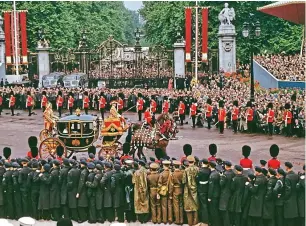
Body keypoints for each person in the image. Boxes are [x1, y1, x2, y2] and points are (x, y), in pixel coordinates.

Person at [182, 155, 199, 226]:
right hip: (196, 189)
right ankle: (196, 223)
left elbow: (183, 181)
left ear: (188, 162)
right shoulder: (198, 169)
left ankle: (190, 223)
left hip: (188, 191)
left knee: (188, 208)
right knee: (196, 207)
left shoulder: (186, 170)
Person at [219, 161, 235, 226]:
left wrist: (221, 177)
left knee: (224, 211)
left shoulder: (225, 174)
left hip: (225, 194)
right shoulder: (233, 173)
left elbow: (221, 184)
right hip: (231, 193)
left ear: (226, 166)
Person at [283, 162, 299, 226]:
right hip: (295, 198)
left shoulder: (287, 177)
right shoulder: (296, 175)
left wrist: (285, 198)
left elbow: (288, 190)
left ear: (287, 167)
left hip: (288, 200)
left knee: (288, 218)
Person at [157, 160, 173, 224]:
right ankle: (170, 219)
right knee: (169, 206)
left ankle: (164, 220)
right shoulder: (171, 173)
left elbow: (159, 184)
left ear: (163, 165)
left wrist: (158, 191)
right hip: (170, 191)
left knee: (164, 206)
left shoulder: (162, 174)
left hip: (163, 191)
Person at [196, 158, 210, 224]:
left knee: (203, 205)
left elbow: (197, 180)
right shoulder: (209, 170)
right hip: (207, 188)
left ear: (202, 163)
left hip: (201, 189)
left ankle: (204, 220)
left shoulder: (200, 171)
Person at [171, 160, 184, 225]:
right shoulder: (182, 173)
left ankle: (177, 220)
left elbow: (171, 184)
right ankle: (181, 220)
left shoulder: (173, 174)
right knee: (181, 205)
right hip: (181, 189)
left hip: (175, 189)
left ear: (174, 166)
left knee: (176, 206)